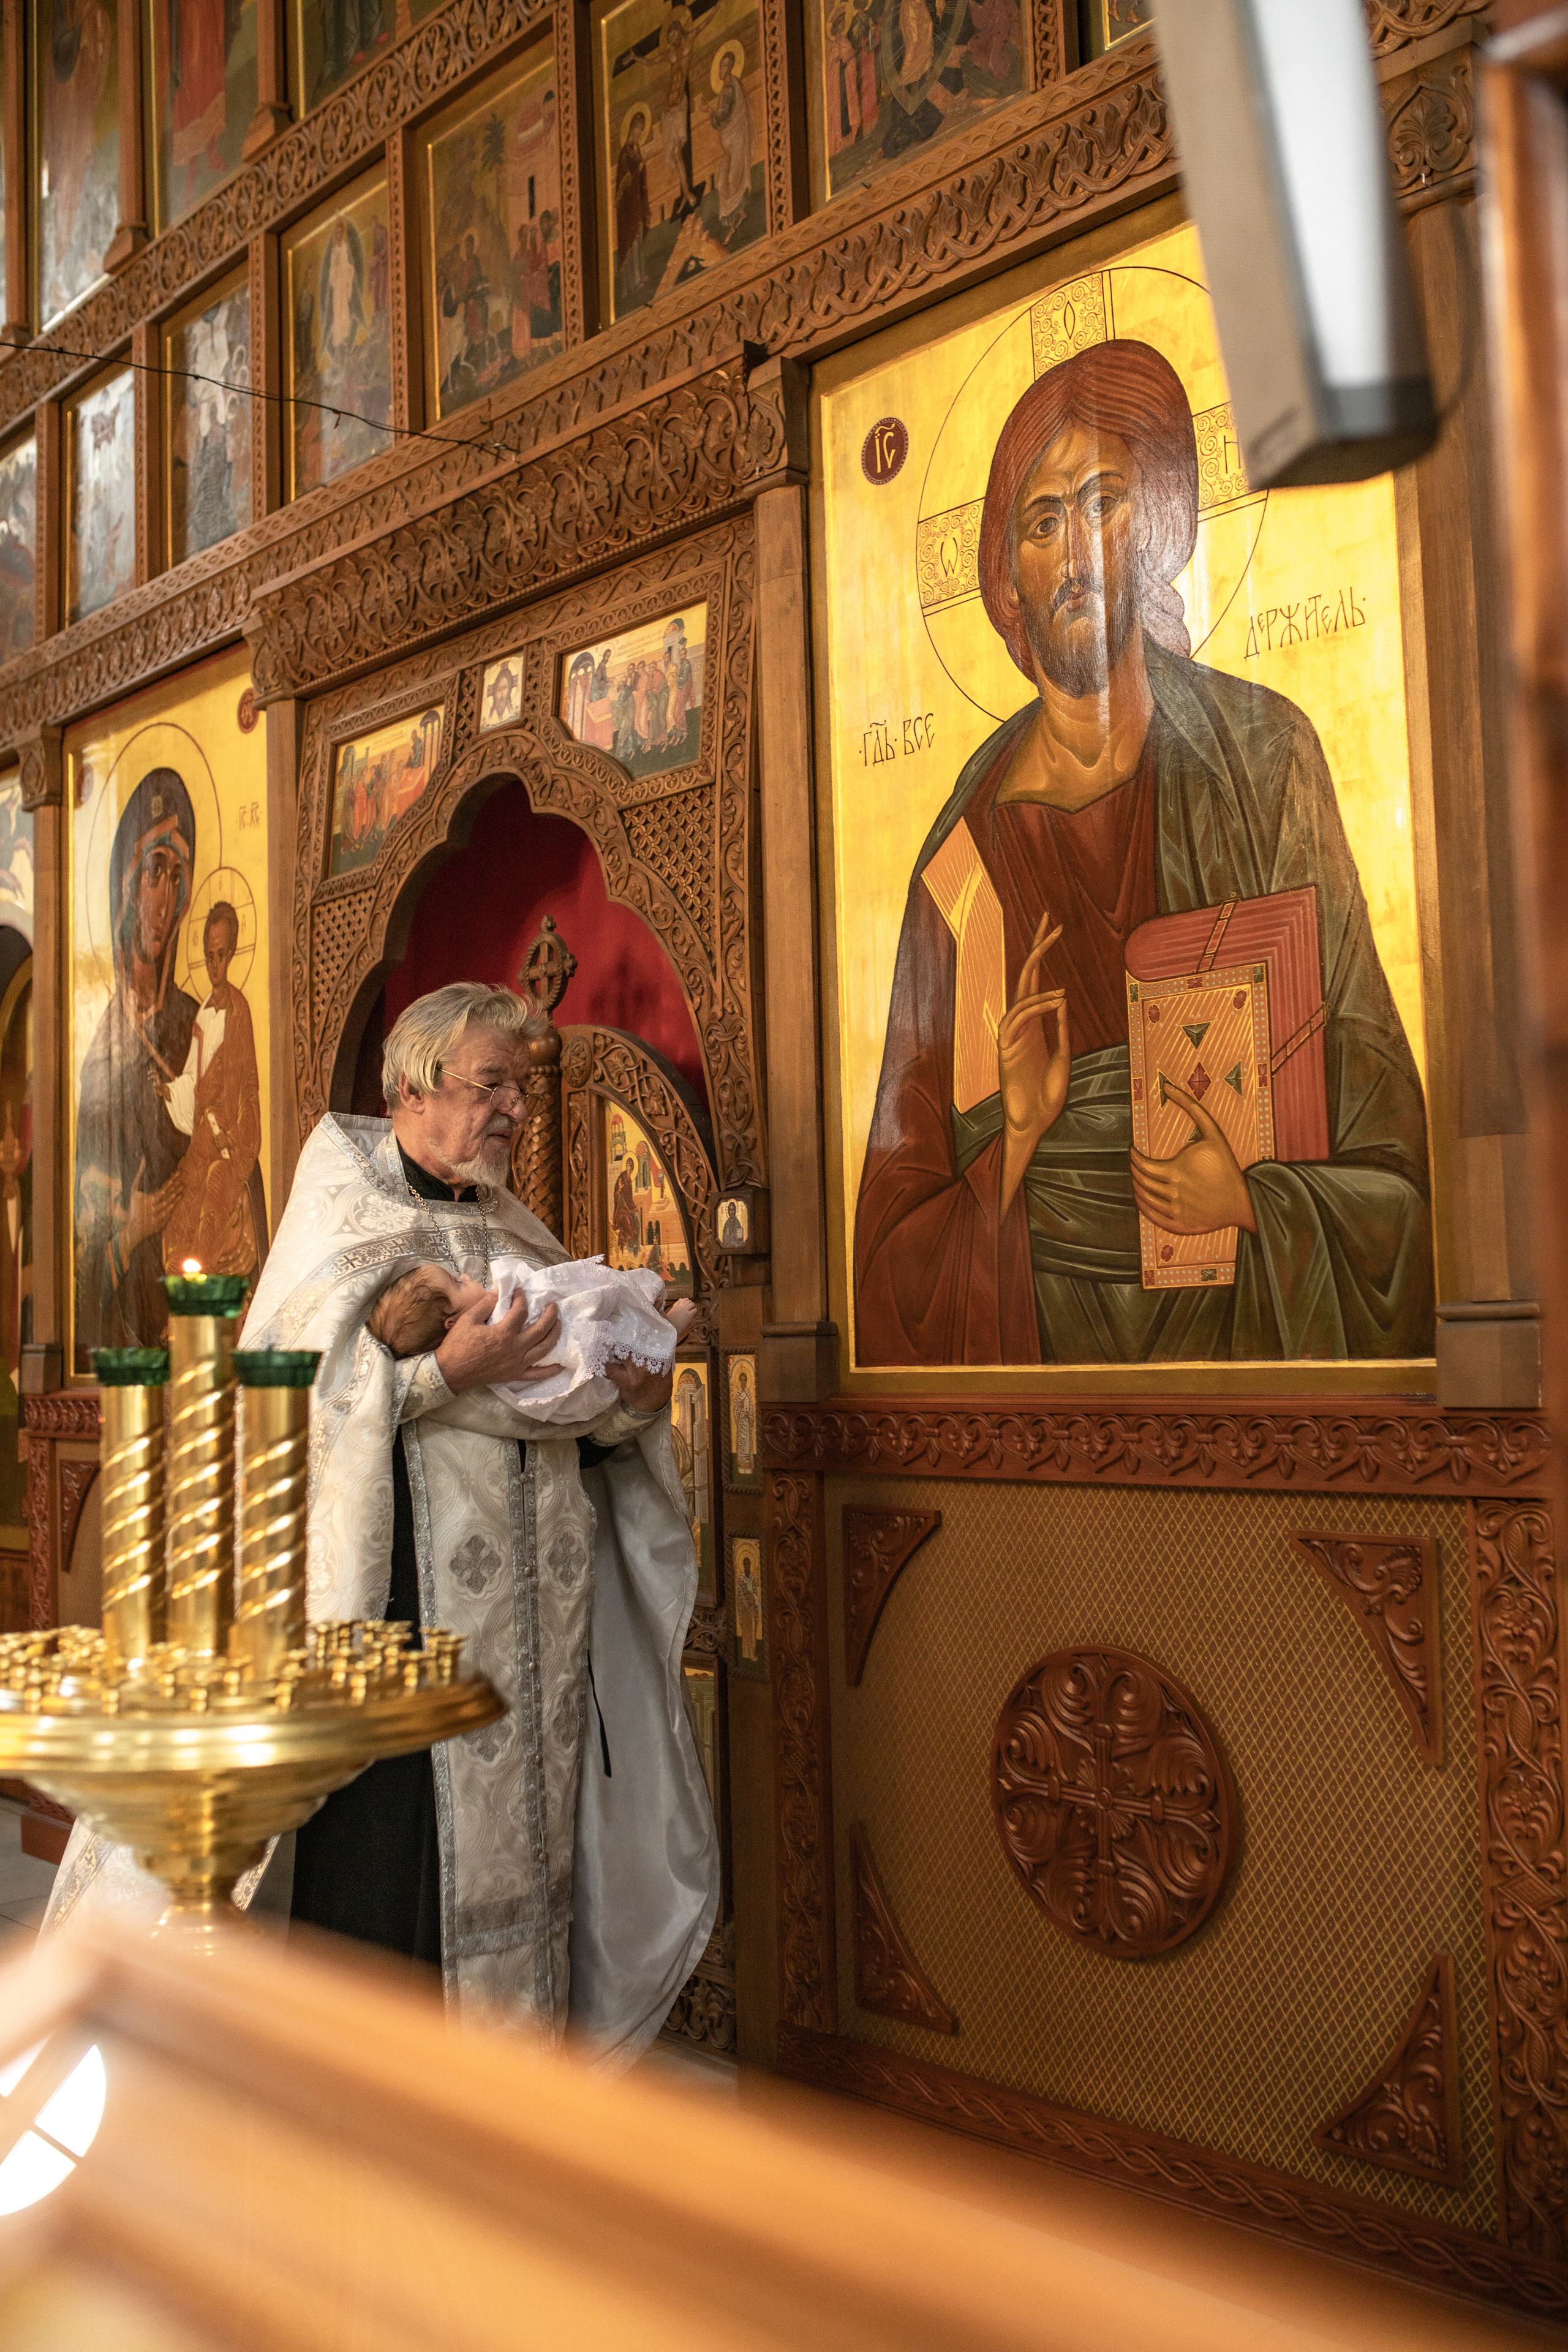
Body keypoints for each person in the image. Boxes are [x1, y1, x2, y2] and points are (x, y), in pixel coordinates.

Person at [48, 982, 718, 2066]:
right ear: (413, 1086)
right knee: (382, 1890)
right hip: (390, 1627)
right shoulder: (340, 1223)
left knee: (522, 1890)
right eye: (491, 1084)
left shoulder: (517, 1233)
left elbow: (570, 1428)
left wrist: (631, 1405)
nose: (514, 1110)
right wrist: (442, 1373)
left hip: (526, 1654)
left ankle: (495, 2112)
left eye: (521, 1090)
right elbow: (283, 1416)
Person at [854, 339, 1434, 1366]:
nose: (1076, 552)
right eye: (1042, 521)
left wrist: (1256, 1203)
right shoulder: (965, 856)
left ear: (1159, 527)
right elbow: (895, 1247)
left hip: (1253, 1345)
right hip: (1041, 1353)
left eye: (1104, 503)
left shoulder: (1263, 760)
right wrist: (1021, 1137)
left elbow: (1383, 1132)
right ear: (1007, 571)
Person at [74, 768, 198, 1359]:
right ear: (126, 886)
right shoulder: (99, 1055)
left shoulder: (198, 1024)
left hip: (196, 1313)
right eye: (154, 874)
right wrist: (133, 1229)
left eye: (177, 878)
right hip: (129, 1340)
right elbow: (83, 1277)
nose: (164, 900)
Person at [158, 899, 267, 1283]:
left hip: (231, 1142)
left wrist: (232, 1135)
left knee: (215, 1187)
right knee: (177, 1222)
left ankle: (201, 1283)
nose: (215, 965)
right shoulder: (204, 1011)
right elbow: (193, 1075)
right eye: (209, 956)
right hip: (203, 1140)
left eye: (221, 955)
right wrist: (171, 1091)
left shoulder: (238, 1011)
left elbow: (246, 1085)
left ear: (232, 953)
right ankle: (186, 1295)